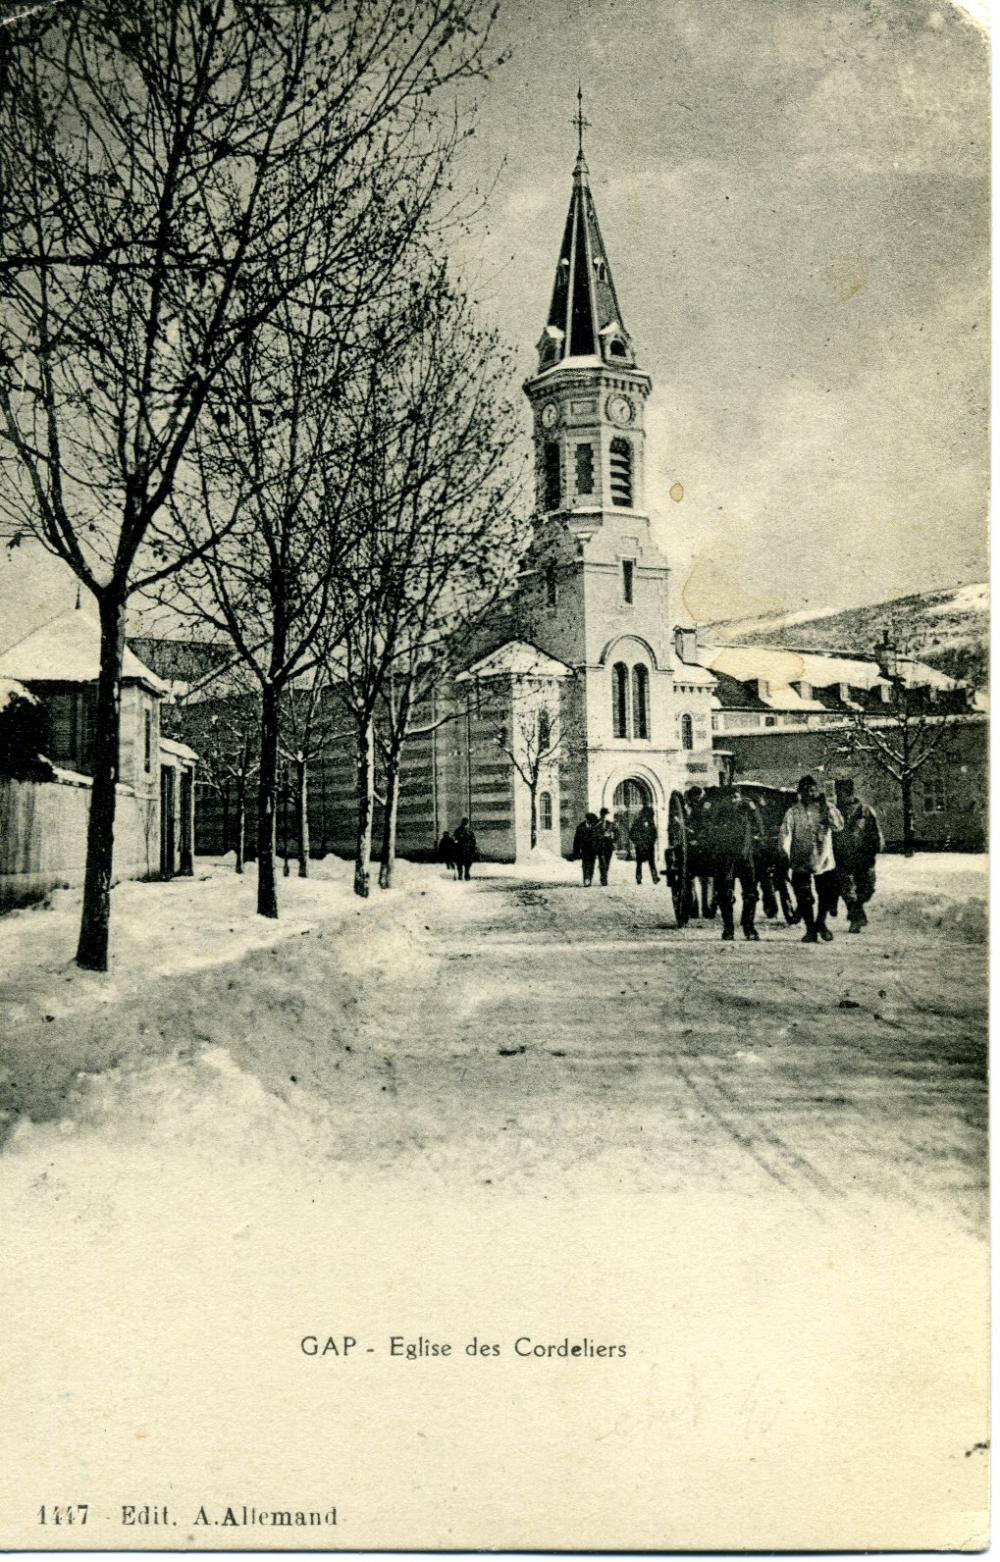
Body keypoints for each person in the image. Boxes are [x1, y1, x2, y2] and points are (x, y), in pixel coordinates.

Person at [778, 776, 844, 943]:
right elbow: (786, 834)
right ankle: (810, 930)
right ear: (800, 793)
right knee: (804, 896)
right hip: (801, 860)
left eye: (813, 790)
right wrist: (784, 854)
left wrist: (828, 809)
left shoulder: (825, 809)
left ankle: (820, 923)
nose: (810, 793)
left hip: (824, 860)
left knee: (826, 895)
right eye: (806, 790)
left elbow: (838, 826)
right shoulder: (793, 812)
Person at [707, 786, 759, 942]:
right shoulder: (720, 814)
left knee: (750, 894)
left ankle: (749, 927)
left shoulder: (748, 811)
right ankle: (728, 928)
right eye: (730, 797)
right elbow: (712, 833)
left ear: (740, 798)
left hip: (745, 858)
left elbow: (759, 828)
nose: (733, 800)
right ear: (725, 800)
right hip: (726, 859)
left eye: (736, 797)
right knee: (726, 895)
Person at [835, 791, 884, 933]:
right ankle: (855, 919)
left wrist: (876, 847)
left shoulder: (865, 811)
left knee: (867, 889)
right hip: (843, 856)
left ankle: (857, 911)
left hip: (863, 856)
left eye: (845, 793)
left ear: (851, 793)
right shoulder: (834, 811)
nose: (843, 797)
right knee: (847, 889)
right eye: (841, 794)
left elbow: (875, 831)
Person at [630, 804, 659, 885]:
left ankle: (655, 878)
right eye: (646, 813)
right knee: (639, 863)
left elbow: (654, 834)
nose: (647, 815)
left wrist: (652, 841)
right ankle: (638, 878)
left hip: (649, 846)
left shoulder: (651, 823)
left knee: (652, 862)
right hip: (640, 846)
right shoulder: (637, 822)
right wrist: (637, 842)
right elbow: (631, 834)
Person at [571, 812, 600, 886]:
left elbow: (597, 839)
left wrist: (597, 848)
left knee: (592, 865)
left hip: (593, 850)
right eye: (590, 821)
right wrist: (576, 852)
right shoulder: (580, 827)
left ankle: (589, 878)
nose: (591, 823)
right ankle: (586, 880)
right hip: (585, 849)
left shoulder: (594, 827)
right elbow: (576, 840)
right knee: (586, 865)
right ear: (587, 820)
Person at [596, 807, 617, 887]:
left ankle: (604, 876)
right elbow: (593, 834)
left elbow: (617, 832)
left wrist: (613, 839)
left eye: (605, 815)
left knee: (607, 863)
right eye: (603, 814)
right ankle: (603, 878)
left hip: (609, 846)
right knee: (602, 862)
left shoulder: (610, 824)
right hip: (600, 846)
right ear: (601, 815)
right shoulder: (597, 824)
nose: (604, 816)